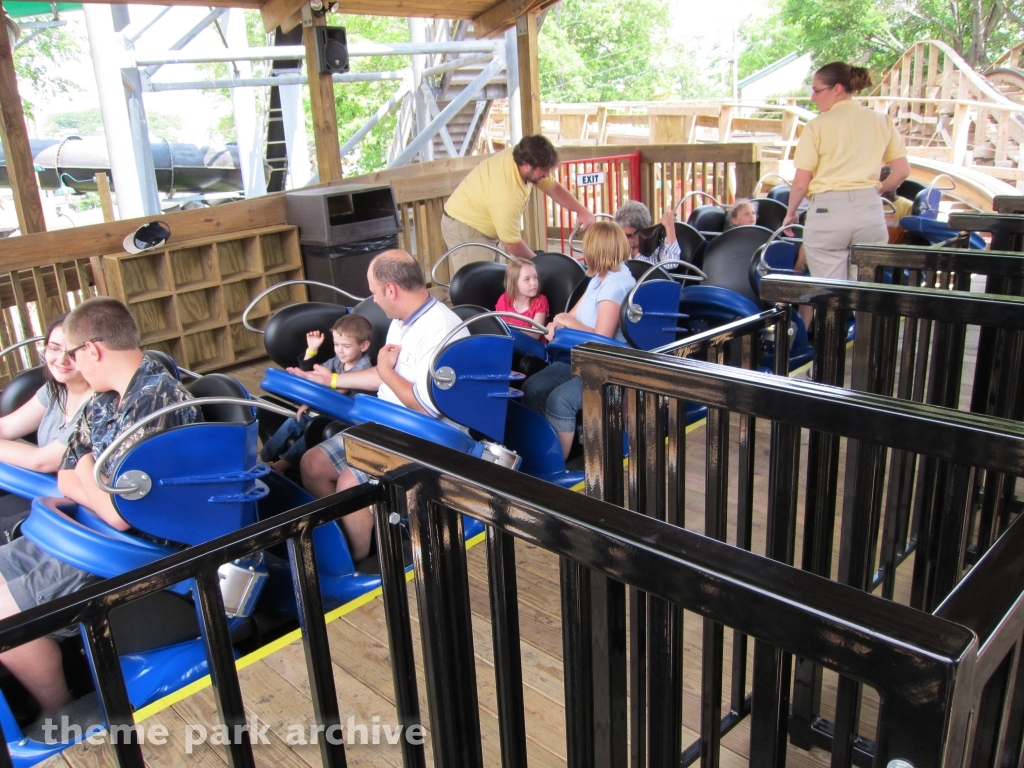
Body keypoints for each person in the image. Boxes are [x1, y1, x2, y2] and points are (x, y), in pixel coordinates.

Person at [0, 297, 199, 716]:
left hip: (120, 549)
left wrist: (87, 470)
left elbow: (118, 514)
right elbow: (66, 477)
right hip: (86, 530)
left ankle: (59, 712)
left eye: (72, 354)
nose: (70, 364)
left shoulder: (158, 402)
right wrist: (93, 478)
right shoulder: (104, 401)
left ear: (91, 350)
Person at [300, 251, 468, 562]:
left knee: (350, 481)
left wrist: (386, 371)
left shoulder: (443, 329)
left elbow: (426, 409)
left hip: (425, 435)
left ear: (390, 289)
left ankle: (360, 560)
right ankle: (357, 534)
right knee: (312, 464)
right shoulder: (401, 321)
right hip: (388, 423)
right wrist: (333, 380)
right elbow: (383, 372)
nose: (373, 300)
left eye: (374, 291)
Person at [783, 62, 910, 282]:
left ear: (838, 89)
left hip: (828, 212)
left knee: (829, 293)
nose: (813, 97)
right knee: (864, 293)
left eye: (817, 90)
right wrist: (876, 190)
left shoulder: (817, 126)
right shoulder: (881, 121)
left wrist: (791, 212)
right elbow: (902, 171)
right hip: (870, 211)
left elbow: (801, 183)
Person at [522, 221, 635, 458]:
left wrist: (567, 322)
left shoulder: (616, 285)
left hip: (606, 363)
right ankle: (540, 453)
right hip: (583, 356)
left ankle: (556, 462)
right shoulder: (598, 279)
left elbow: (601, 338)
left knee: (560, 400)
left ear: (597, 250)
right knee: (532, 387)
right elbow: (568, 316)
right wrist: (556, 323)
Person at [441, 135, 596, 273]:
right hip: (466, 228)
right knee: (475, 288)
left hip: (484, 225)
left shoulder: (522, 158)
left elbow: (552, 186)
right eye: (544, 170)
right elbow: (512, 243)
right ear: (527, 165)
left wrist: (582, 211)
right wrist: (542, 264)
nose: (548, 174)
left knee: (494, 281)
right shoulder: (507, 193)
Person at [262, 314, 374, 474]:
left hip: (345, 419)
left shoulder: (364, 368)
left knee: (313, 428)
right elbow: (313, 375)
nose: (340, 350)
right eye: (336, 344)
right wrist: (311, 349)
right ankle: (264, 458)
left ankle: (282, 465)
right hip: (326, 411)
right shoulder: (337, 361)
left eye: (346, 346)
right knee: (294, 421)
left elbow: (336, 392)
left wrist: (310, 402)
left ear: (363, 346)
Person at [0, 315, 92, 476]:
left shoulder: (101, 403)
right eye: (54, 349)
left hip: (79, 496)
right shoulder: (56, 389)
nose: (62, 360)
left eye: (72, 353)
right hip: (46, 488)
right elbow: (6, 427)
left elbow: (43, 461)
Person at [613, 200, 681, 264]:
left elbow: (671, 264)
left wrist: (669, 226)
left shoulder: (657, 246)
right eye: (621, 235)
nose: (623, 239)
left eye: (628, 235)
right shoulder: (619, 249)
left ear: (643, 230)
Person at [495, 258, 549, 332]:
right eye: (527, 279)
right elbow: (495, 325)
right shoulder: (504, 299)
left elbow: (536, 334)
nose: (534, 283)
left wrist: (510, 329)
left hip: (530, 343)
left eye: (535, 277)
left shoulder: (540, 302)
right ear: (514, 283)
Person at [880, 165, 914, 244]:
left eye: (891, 180)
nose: (888, 184)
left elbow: (909, 238)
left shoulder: (908, 206)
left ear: (899, 183)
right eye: (884, 180)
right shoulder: (868, 204)